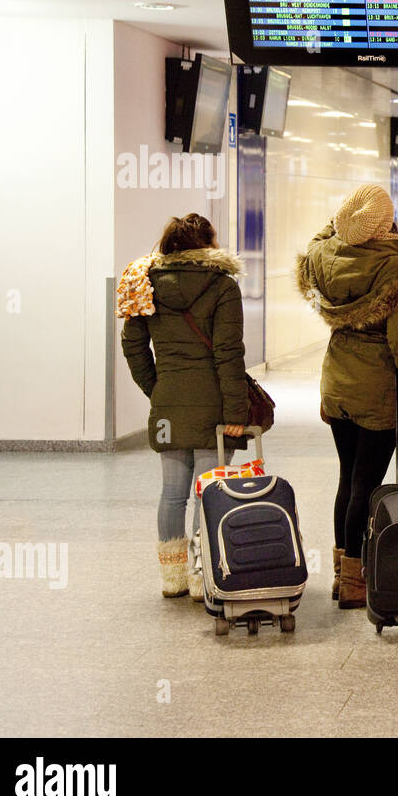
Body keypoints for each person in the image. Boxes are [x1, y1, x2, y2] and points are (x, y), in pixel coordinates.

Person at [297, 184, 398, 609]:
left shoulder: (323, 256)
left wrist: (347, 221)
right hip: (376, 388)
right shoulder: (396, 271)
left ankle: (342, 570)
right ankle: (356, 580)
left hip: (336, 379)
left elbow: (323, 236)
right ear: (386, 222)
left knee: (347, 476)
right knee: (366, 484)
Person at [120, 214, 248, 599]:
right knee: (208, 491)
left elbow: (133, 345)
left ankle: (171, 578)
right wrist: (236, 413)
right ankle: (200, 576)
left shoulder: (143, 285)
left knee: (172, 492)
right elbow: (229, 354)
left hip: (169, 401)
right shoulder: (223, 286)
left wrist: (156, 388)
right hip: (212, 402)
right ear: (207, 244)